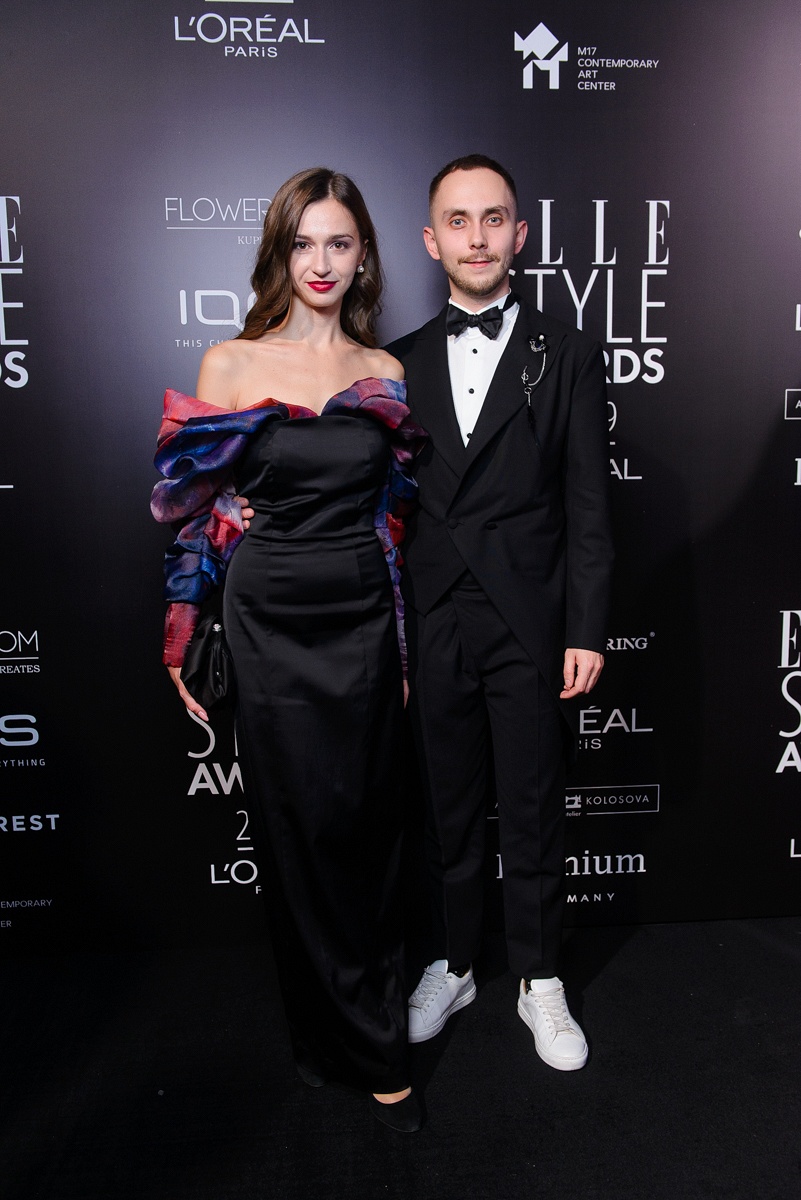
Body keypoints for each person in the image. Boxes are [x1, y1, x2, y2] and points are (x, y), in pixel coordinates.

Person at [151, 168, 425, 1132]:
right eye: (303, 242)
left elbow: (393, 519)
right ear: (279, 251)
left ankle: (364, 1032)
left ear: (363, 257)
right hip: (268, 620)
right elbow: (197, 514)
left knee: (367, 834)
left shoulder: (383, 373)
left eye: (338, 243)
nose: (320, 262)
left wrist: (399, 645)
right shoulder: (229, 363)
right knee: (293, 836)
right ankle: (340, 1041)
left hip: (361, 616)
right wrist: (183, 629)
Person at [386, 155, 613, 1071]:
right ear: (429, 239)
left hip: (529, 618)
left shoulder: (569, 352)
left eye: (492, 219)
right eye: (457, 220)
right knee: (444, 808)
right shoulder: (394, 363)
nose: (475, 237)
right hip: (432, 611)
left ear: (518, 235)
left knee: (530, 806)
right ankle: (452, 963)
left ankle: (538, 976)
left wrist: (585, 628)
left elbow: (589, 504)